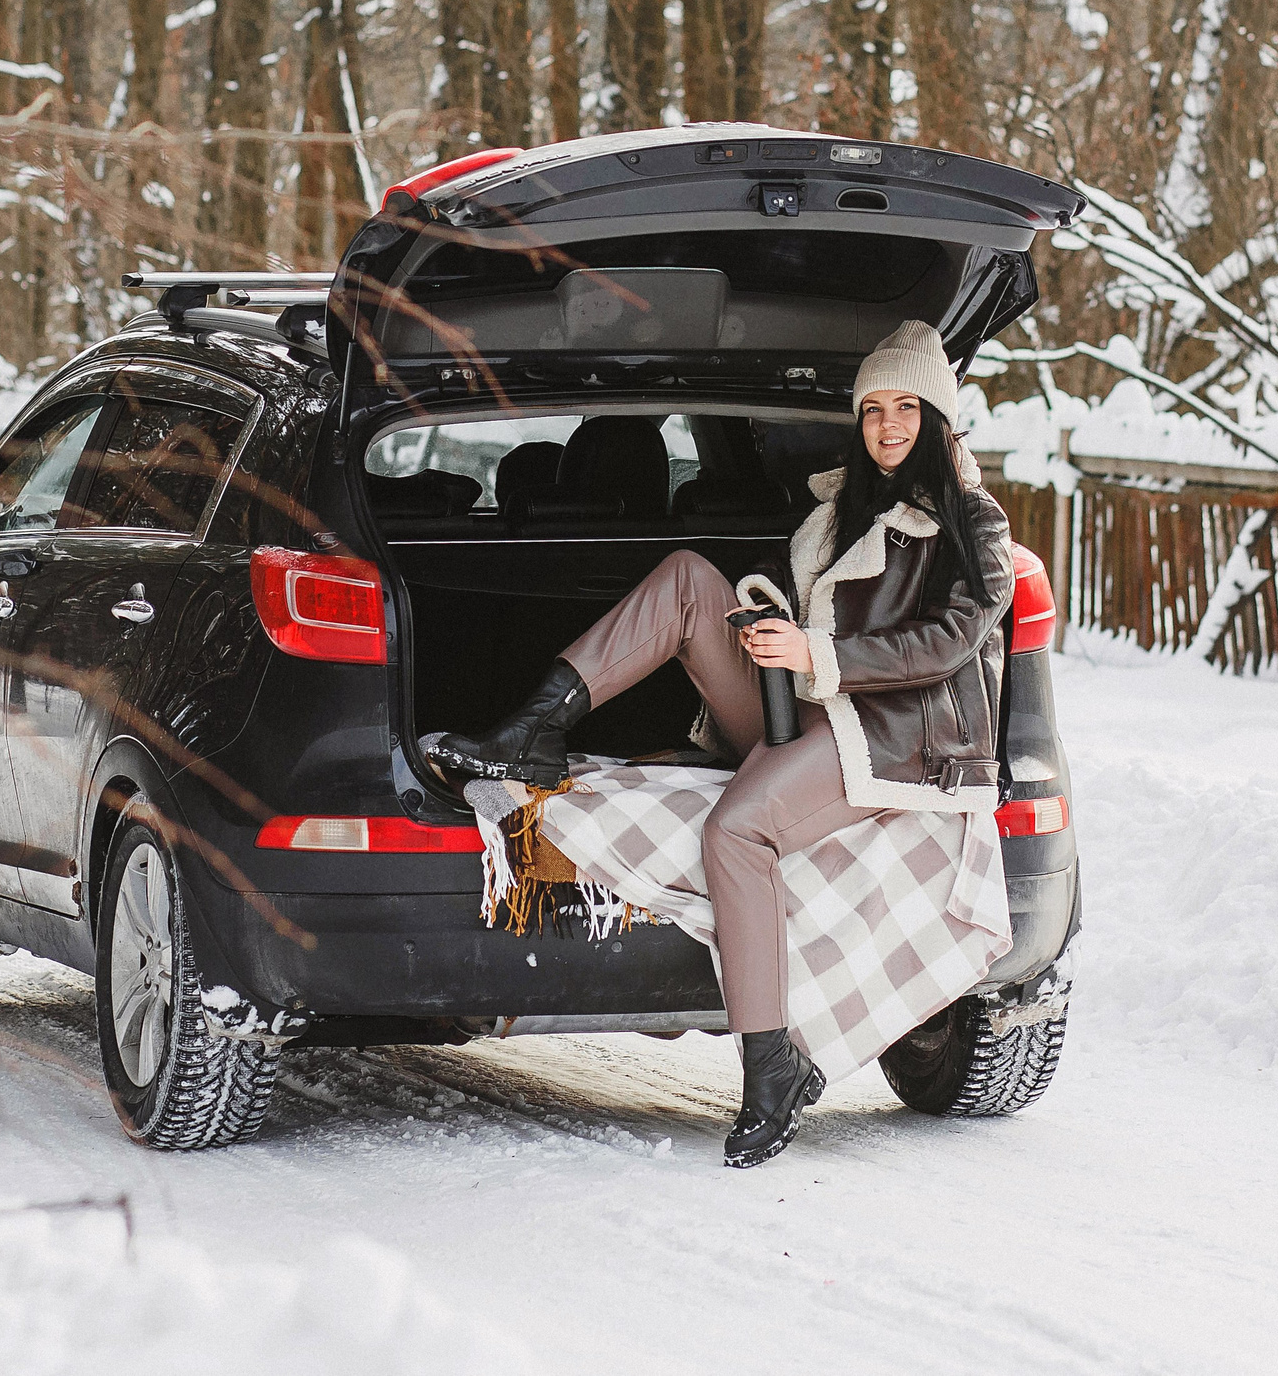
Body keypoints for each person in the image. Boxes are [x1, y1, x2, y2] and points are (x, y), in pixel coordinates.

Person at [425, 321, 1016, 1167]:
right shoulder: (848, 503)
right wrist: (775, 616)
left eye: (906, 409)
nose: (887, 426)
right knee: (688, 582)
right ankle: (535, 726)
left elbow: (945, 645)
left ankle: (773, 1063)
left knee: (735, 829)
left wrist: (816, 655)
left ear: (938, 415)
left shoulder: (976, 523)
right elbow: (821, 617)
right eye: (874, 409)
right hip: (814, 705)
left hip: (895, 743)